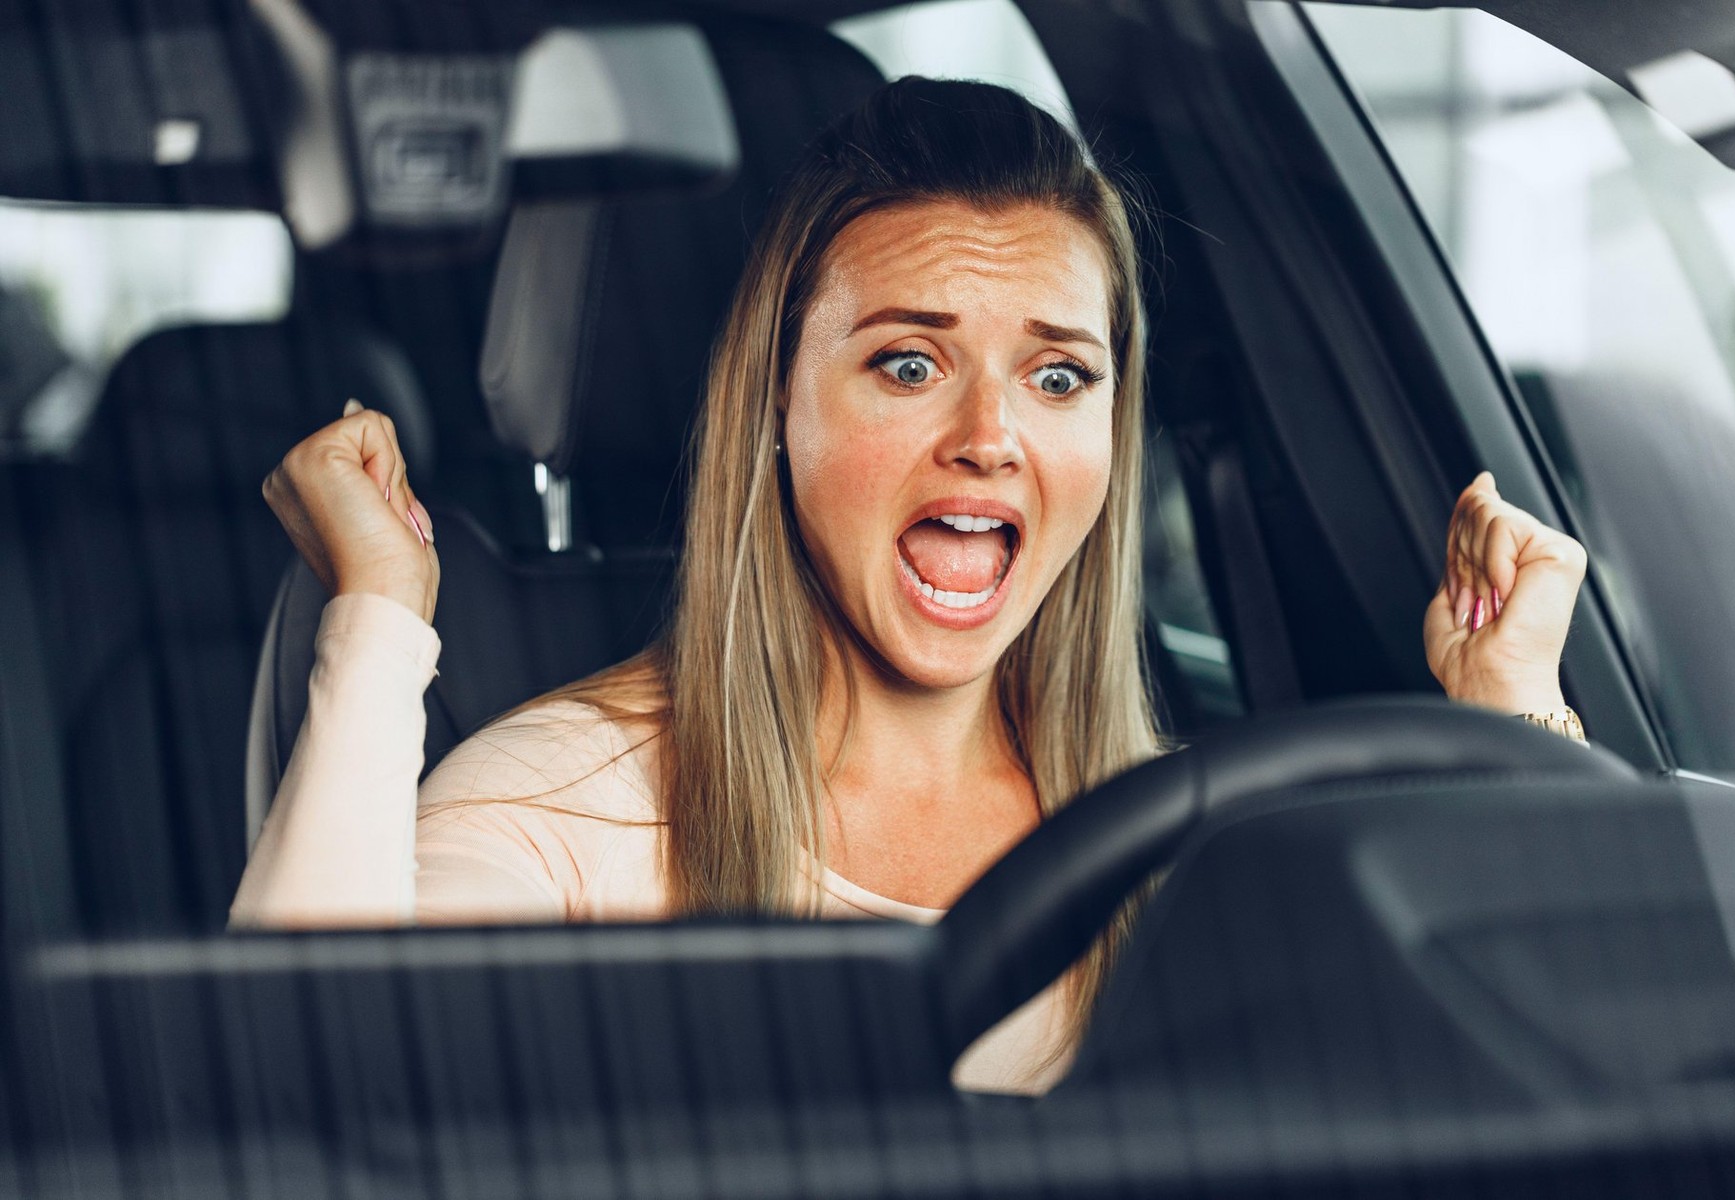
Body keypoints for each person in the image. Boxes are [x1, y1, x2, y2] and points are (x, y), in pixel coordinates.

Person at [229, 78, 1590, 1093]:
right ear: (773, 406)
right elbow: (299, 1100)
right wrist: (381, 612)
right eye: (907, 362)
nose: (991, 436)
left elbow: (1556, 1093)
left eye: (1059, 375)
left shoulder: (1200, 841)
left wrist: (1512, 716)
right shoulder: (556, 813)